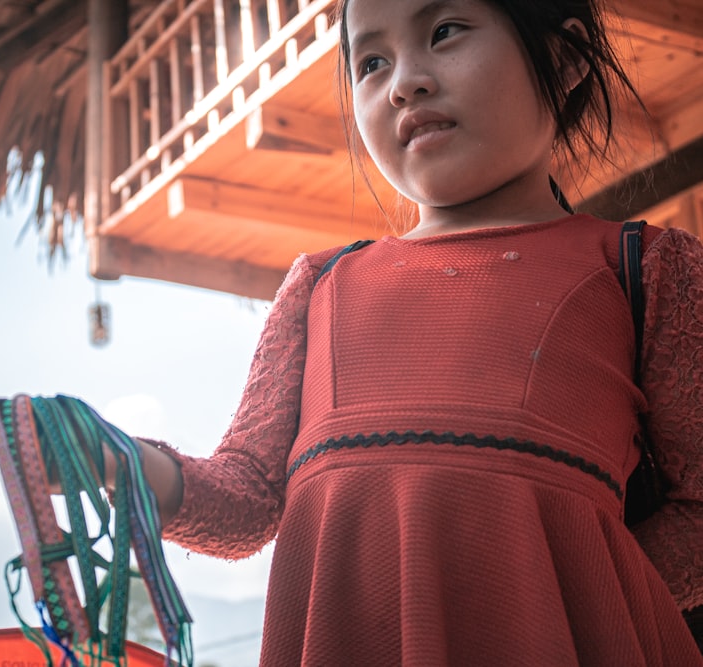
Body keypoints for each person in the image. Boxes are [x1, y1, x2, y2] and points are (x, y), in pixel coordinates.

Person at [94, 0, 703, 663]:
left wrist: (563, 600)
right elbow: (246, 498)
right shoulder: (319, 286)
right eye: (371, 62)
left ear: (565, 56)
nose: (404, 81)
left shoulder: (647, 271)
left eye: (444, 33)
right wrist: (112, 458)